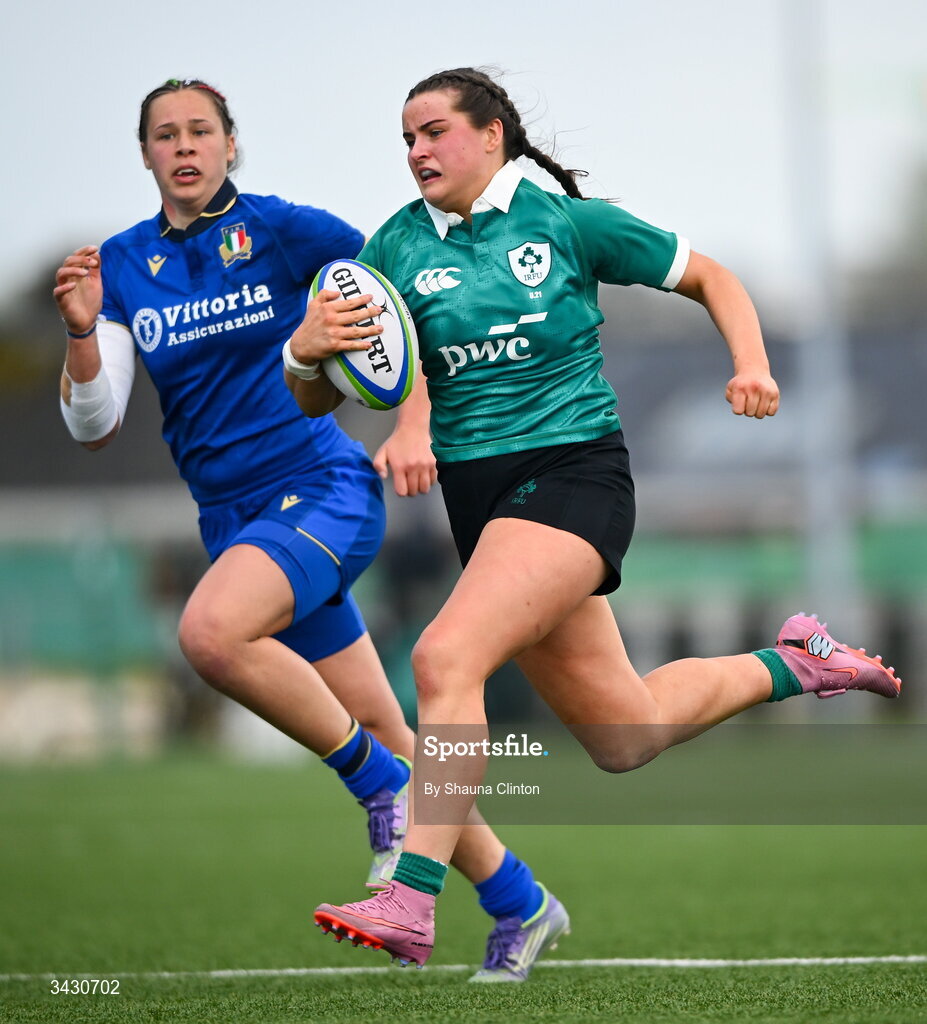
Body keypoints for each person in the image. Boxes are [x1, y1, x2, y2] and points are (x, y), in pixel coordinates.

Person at [293, 67, 903, 968]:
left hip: (574, 479)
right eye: (407, 138)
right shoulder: (389, 251)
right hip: (486, 509)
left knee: (442, 657)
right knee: (625, 735)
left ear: (491, 134)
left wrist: (753, 364)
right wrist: (304, 355)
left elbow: (713, 277)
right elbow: (322, 394)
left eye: (434, 132)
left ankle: (410, 901)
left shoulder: (565, 225)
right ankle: (798, 662)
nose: (417, 151)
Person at [53, 77, 569, 982]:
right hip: (233, 522)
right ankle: (520, 902)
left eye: (201, 131)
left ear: (230, 145)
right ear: (144, 155)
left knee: (211, 635)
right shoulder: (123, 264)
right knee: (387, 726)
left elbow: (401, 304)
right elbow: (93, 426)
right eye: (165, 135)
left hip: (321, 489)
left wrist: (413, 425)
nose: (184, 146)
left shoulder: (290, 229)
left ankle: (377, 793)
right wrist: (83, 334)